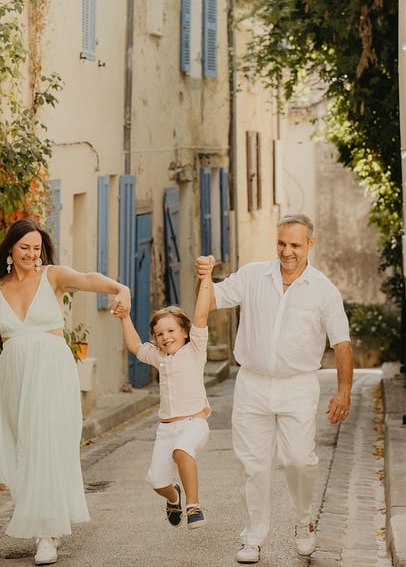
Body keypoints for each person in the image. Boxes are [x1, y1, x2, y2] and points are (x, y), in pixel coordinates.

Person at [0, 217, 131, 566]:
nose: (32, 254)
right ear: (10, 250)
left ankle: (47, 534)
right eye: (24, 248)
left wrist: (120, 289)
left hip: (51, 371)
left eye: (36, 248)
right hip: (14, 377)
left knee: (46, 443)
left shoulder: (52, 276)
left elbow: (89, 279)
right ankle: (44, 519)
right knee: (25, 449)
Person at [195, 214, 353, 564]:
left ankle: (303, 522)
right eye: (282, 243)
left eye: (295, 244)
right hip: (252, 384)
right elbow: (209, 301)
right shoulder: (253, 275)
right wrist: (204, 278)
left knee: (299, 460)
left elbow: (341, 343)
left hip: (298, 386)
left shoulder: (324, 289)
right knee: (252, 466)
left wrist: (344, 390)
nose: (287, 251)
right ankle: (252, 537)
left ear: (310, 244)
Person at [113, 256, 215, 530]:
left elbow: (202, 313)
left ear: (184, 332)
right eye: (159, 333)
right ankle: (174, 498)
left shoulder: (194, 350)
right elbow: (135, 345)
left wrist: (206, 277)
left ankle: (194, 506)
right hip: (166, 428)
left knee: (183, 450)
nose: (165, 337)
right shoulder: (159, 356)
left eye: (171, 330)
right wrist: (124, 318)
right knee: (157, 482)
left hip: (194, 423)